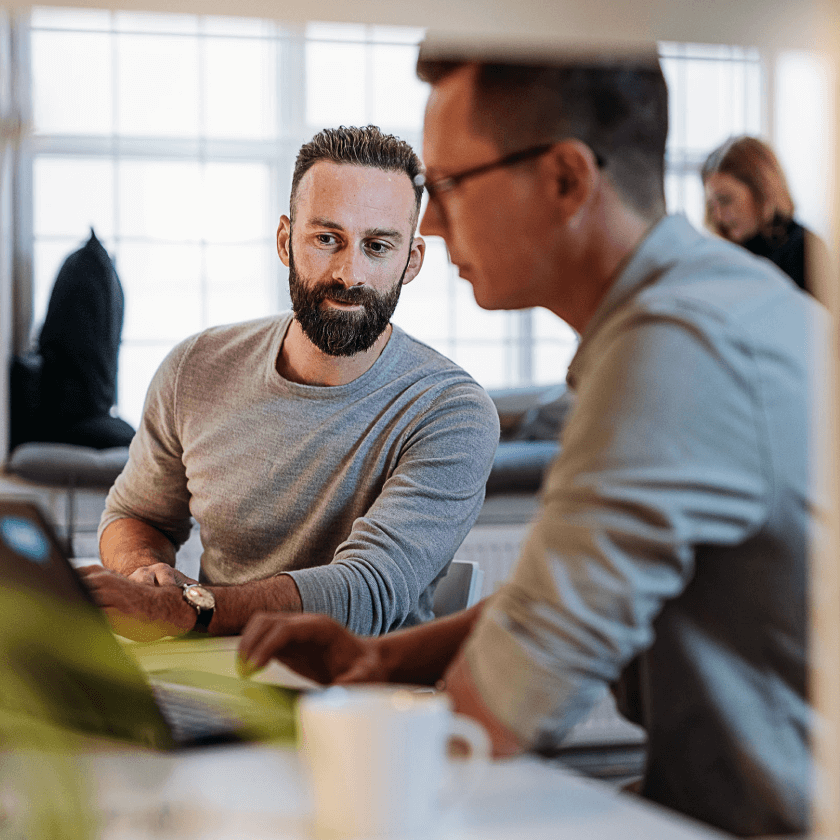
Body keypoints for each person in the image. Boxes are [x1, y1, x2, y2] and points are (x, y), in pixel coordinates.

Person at [237, 47, 827, 837]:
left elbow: (496, 720)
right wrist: (378, 662)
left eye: (446, 187)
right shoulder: (724, 304)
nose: (431, 225)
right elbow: (554, 600)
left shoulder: (675, 351)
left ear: (565, 180)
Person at [79, 125, 499, 641]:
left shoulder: (451, 411)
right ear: (285, 241)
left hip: (362, 694)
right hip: (209, 674)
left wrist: (184, 610)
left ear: (410, 262)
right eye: (327, 239)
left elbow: (366, 591)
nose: (350, 273)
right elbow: (136, 515)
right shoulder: (195, 368)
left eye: (378, 246)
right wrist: (143, 571)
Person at [702, 134, 830, 297]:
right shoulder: (724, 254)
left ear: (761, 191)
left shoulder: (806, 249)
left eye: (726, 200)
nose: (718, 216)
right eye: (712, 205)